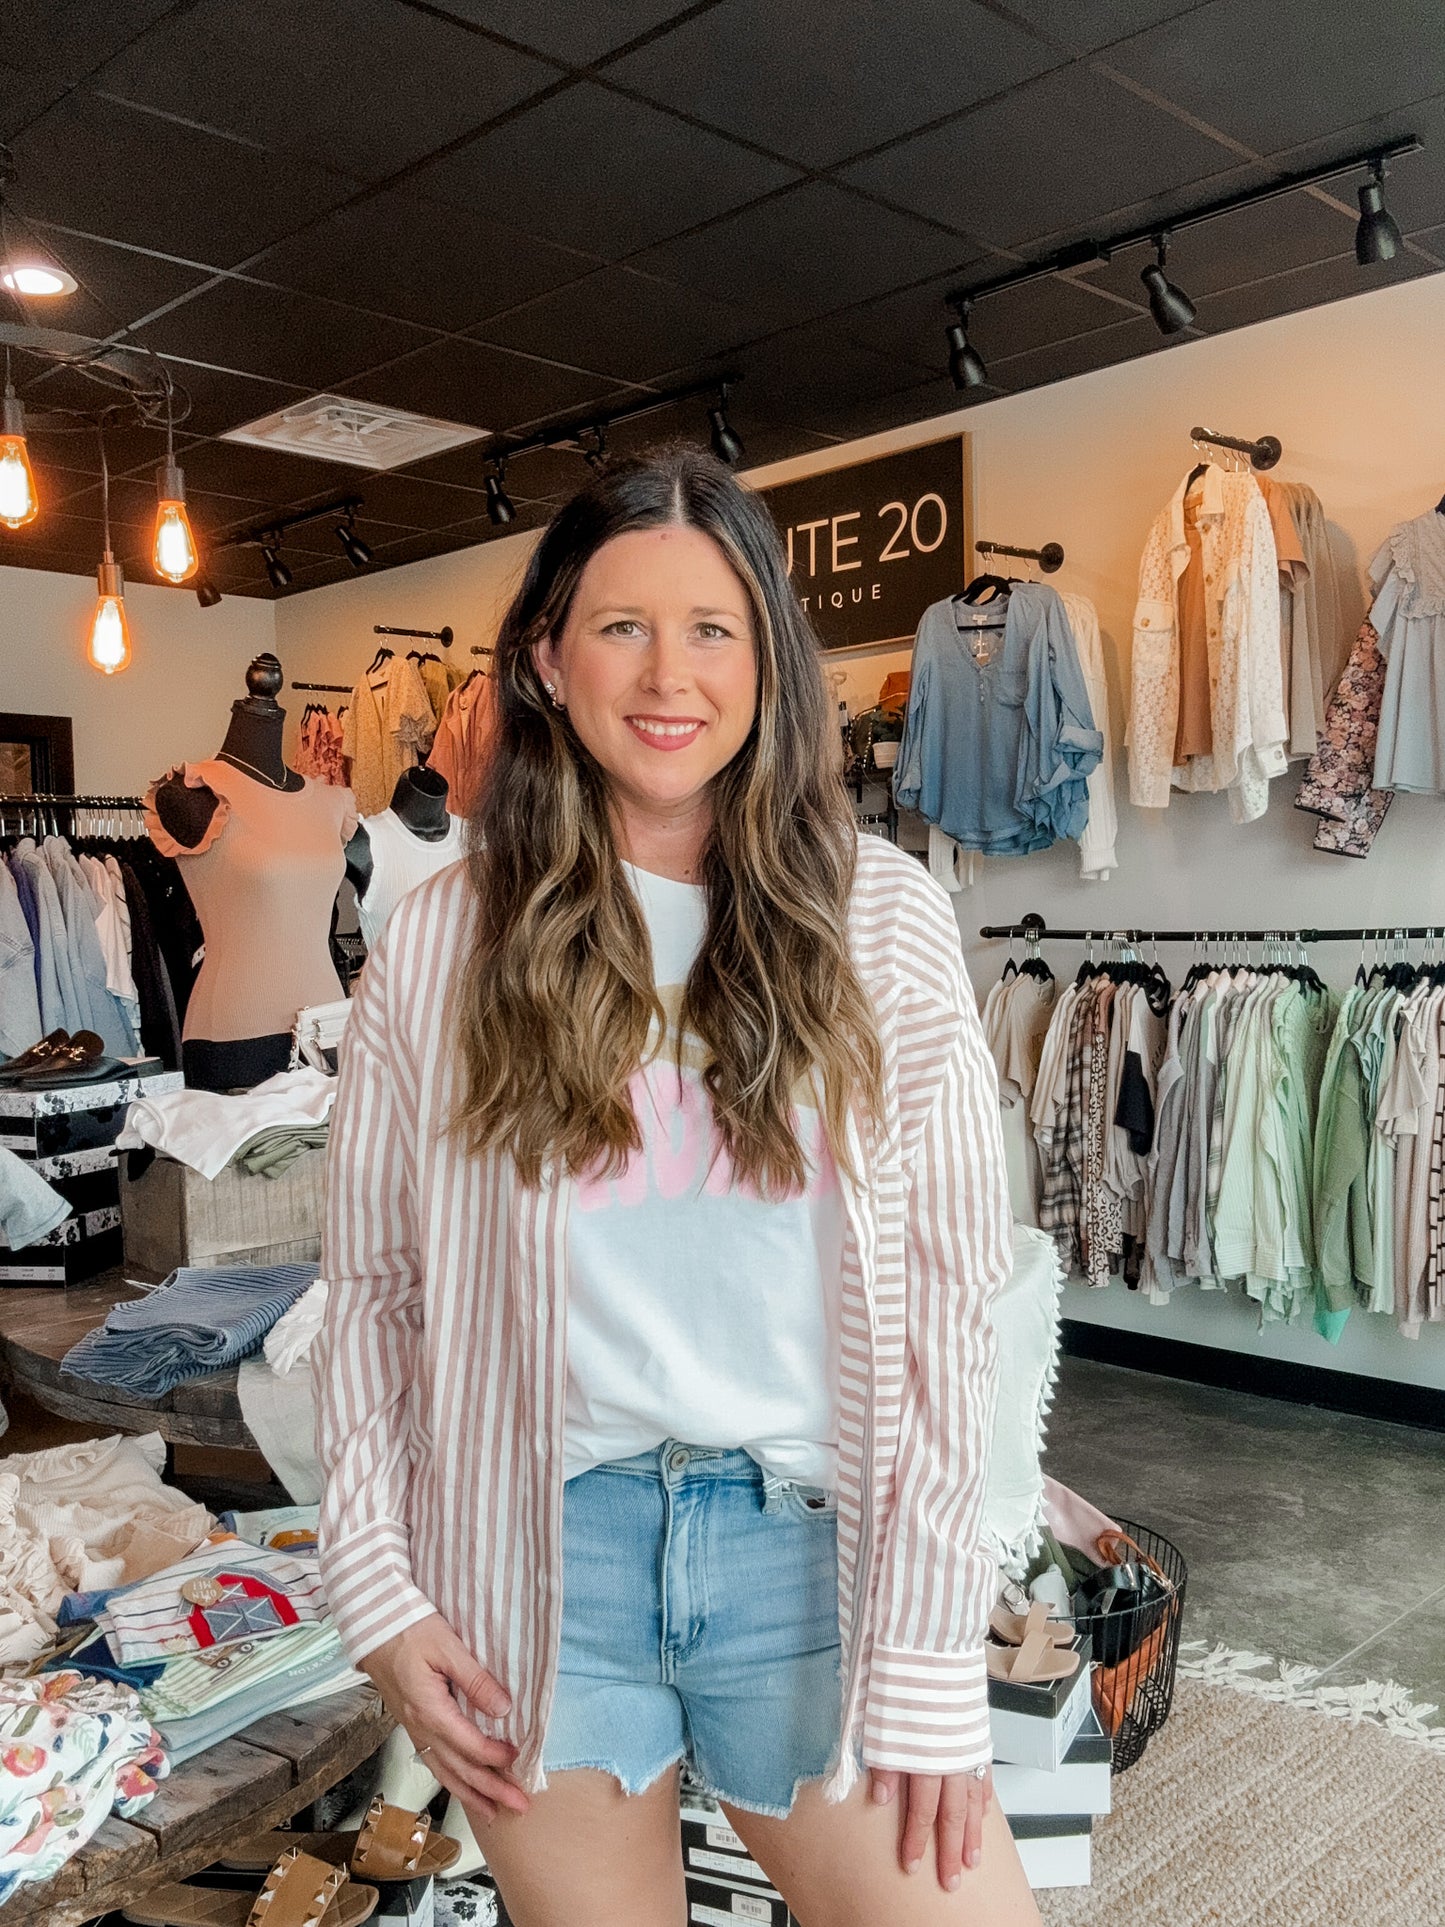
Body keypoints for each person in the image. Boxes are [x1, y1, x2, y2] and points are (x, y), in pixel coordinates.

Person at [315, 445, 1037, 1926]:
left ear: (766, 658)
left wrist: (928, 1646)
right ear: (546, 658)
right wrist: (379, 1594)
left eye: (713, 628)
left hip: (813, 1557)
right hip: (538, 1558)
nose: (670, 674)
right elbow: (378, 1296)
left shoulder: (879, 920)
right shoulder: (442, 945)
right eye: (622, 625)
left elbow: (960, 1298)